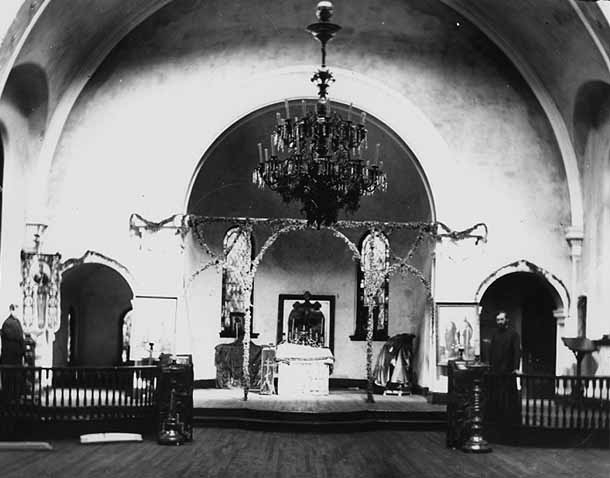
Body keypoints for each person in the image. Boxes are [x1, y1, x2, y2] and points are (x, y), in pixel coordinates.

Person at [487, 310, 521, 439]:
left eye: (501, 320)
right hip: (496, 371)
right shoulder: (495, 335)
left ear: (507, 320)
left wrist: (516, 367)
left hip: (507, 371)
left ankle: (509, 424)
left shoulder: (513, 334)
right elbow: (492, 352)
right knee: (496, 397)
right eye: (497, 320)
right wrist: (490, 365)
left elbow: (517, 352)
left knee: (507, 397)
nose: (499, 322)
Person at [0, 305, 26, 402]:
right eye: (16, 309)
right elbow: (20, 339)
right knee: (13, 383)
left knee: (10, 383)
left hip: (10, 358)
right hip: (13, 358)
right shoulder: (12, 323)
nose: (17, 312)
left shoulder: (8, 323)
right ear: (11, 310)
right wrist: (23, 352)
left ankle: (10, 401)